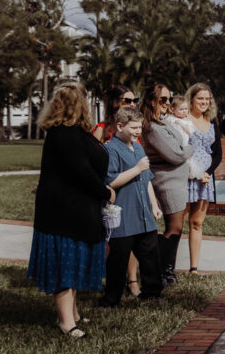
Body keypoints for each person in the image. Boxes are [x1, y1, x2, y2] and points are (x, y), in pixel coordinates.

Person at [27, 82, 114, 338]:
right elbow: (82, 173)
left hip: (79, 210)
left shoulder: (77, 132)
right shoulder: (63, 135)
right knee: (64, 265)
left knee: (74, 261)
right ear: (80, 104)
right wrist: (106, 192)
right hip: (62, 213)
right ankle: (67, 322)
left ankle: (72, 312)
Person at [98, 106, 164, 307]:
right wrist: (136, 169)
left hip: (144, 214)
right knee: (118, 259)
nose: (138, 131)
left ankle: (152, 293)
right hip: (124, 215)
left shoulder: (138, 147)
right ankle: (111, 299)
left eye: (140, 128)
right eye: (134, 127)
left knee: (151, 255)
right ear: (119, 126)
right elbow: (110, 181)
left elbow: (147, 179)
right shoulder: (111, 149)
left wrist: (154, 205)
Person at [140, 83, 192, 286]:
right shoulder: (151, 127)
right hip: (167, 181)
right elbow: (176, 154)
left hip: (176, 180)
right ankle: (162, 273)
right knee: (174, 227)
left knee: (176, 226)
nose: (167, 103)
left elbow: (178, 147)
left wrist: (183, 150)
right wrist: (189, 150)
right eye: (163, 99)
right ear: (151, 100)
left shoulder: (161, 122)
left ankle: (166, 271)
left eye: (169, 99)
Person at [183, 82, 223, 275]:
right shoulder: (182, 120)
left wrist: (207, 173)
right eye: (200, 98)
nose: (204, 102)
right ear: (191, 99)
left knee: (197, 223)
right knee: (177, 222)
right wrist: (195, 170)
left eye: (207, 99)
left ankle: (194, 268)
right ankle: (166, 268)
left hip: (205, 179)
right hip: (186, 176)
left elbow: (218, 154)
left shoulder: (213, 122)